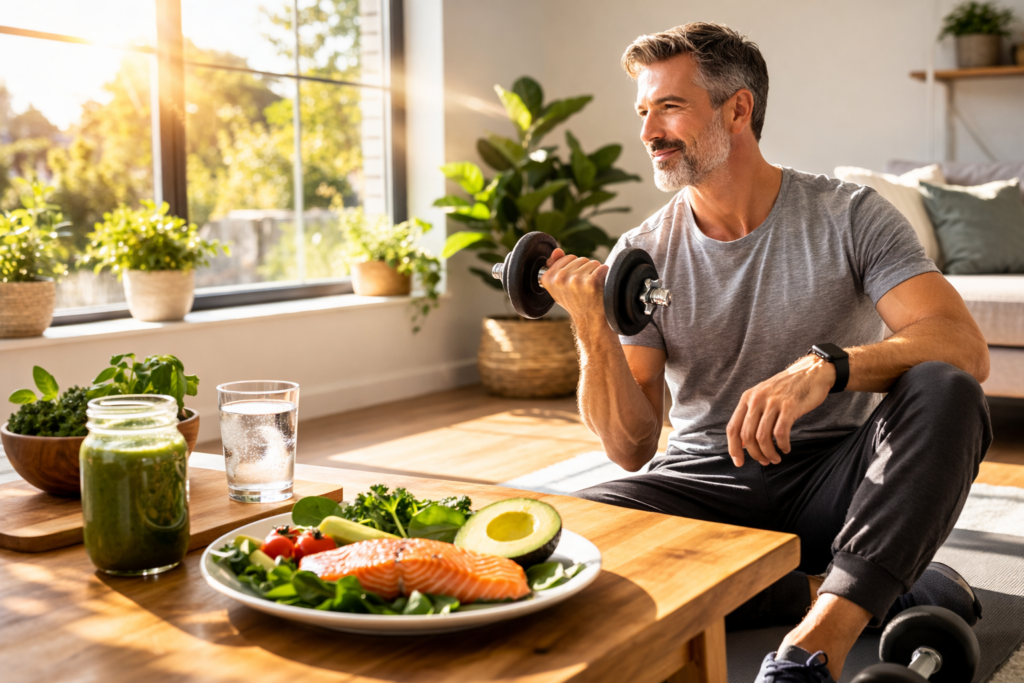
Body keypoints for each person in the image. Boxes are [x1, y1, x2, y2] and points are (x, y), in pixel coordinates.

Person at [540, 22, 992, 683]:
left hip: (838, 483)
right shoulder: (642, 253)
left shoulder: (849, 214)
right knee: (567, 539)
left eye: (670, 106)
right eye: (644, 110)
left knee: (947, 389)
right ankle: (857, 584)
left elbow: (962, 345)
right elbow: (631, 446)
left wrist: (828, 366)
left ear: (739, 108)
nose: (649, 133)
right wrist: (590, 327)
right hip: (706, 486)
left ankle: (813, 645)